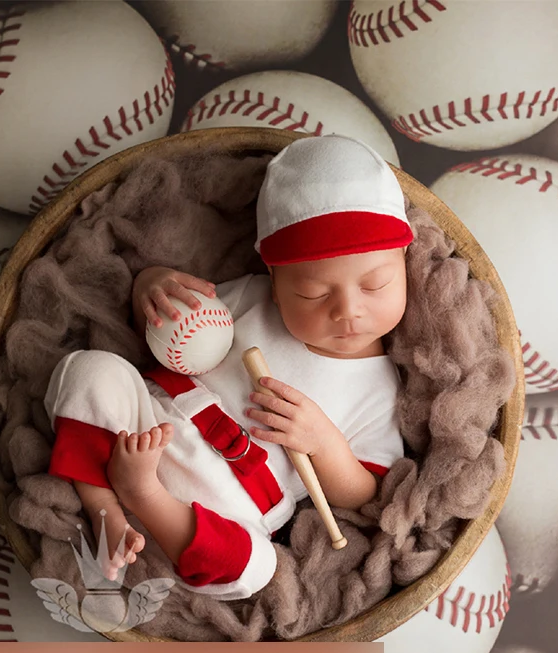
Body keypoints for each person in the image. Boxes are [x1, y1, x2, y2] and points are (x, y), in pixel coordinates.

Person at [43, 133, 413, 601]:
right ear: (275, 284)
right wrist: (151, 289)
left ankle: (144, 498)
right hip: (149, 424)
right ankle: (104, 509)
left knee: (257, 569)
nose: (347, 310)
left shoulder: (381, 390)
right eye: (314, 294)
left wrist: (323, 443)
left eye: (375, 285)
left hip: (231, 498)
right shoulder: (251, 300)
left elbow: (362, 493)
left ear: (404, 261)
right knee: (87, 370)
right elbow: (169, 331)